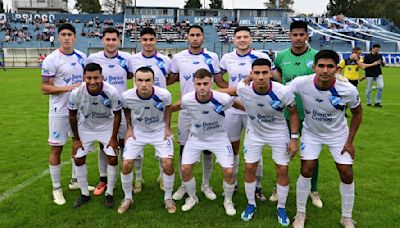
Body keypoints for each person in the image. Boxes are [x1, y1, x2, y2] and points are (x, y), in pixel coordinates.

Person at [219, 58, 299, 225]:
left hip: (278, 133)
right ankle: (251, 204)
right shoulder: (243, 88)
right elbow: (227, 94)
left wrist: (294, 139)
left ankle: (281, 207)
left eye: (264, 72)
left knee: (282, 169)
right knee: (249, 167)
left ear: (270, 73)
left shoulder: (283, 92)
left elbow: (293, 113)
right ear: (251, 75)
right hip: (255, 133)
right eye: (257, 73)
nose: (261, 77)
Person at [290, 50, 362, 228]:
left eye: (330, 66)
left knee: (346, 172)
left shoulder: (348, 90)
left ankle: (346, 217)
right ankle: (300, 214)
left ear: (337, 69)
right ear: (314, 67)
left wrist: (350, 141)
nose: (325, 70)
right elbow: (280, 91)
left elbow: (358, 113)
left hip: (338, 135)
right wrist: (250, 81)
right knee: (306, 169)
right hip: (311, 133)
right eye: (321, 66)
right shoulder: (301, 83)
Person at [167, 25, 225, 201]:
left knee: (207, 149)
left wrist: (241, 88)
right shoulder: (178, 58)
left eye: (198, 35)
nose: (194, 38)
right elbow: (170, 79)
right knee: (184, 147)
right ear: (187, 37)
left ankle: (206, 185)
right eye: (191, 35)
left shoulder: (212, 57)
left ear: (203, 38)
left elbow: (220, 81)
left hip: (208, 110)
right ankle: (185, 185)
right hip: (186, 109)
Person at [171, 68, 237, 215]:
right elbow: (171, 108)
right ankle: (192, 197)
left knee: (228, 171)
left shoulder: (222, 98)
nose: (202, 87)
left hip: (219, 138)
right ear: (194, 84)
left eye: (205, 83)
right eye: (199, 83)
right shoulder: (188, 99)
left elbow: (236, 103)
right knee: (185, 168)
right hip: (196, 139)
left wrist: (253, 114)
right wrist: (164, 125)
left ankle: (228, 200)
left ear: (211, 83)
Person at [272, 20, 322, 207]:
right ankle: (279, 187)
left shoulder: (316, 56)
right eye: (295, 35)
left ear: (307, 36)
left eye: (302, 34)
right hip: (286, 114)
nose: (299, 38)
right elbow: (275, 72)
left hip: (311, 114)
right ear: (289, 36)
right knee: (282, 153)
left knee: (311, 155)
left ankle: (313, 190)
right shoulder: (281, 56)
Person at [218, 26, 272, 200]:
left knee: (255, 148)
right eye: (239, 37)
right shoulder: (227, 58)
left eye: (245, 37)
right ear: (233, 40)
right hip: (233, 109)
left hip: (254, 110)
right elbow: (219, 78)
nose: (242, 40)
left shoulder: (261, 57)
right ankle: (232, 184)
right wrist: (232, 91)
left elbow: (269, 78)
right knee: (232, 148)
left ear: (251, 39)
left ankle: (257, 186)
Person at [41, 23, 92, 205]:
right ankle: (56, 188)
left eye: (70, 34)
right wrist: (69, 88)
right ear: (58, 37)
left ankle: (75, 181)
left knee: (77, 144)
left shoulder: (82, 57)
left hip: (79, 110)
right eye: (63, 34)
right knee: (57, 148)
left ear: (75, 37)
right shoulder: (52, 59)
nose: (67, 37)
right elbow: (44, 88)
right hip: (59, 111)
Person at [118, 67, 175, 214]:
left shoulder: (164, 95)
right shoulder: (127, 96)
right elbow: (126, 109)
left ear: (153, 81)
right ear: (135, 81)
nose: (143, 84)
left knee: (168, 163)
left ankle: (168, 198)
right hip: (138, 132)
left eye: (147, 80)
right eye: (140, 80)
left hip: (159, 131)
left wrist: (167, 128)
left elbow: (168, 109)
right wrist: (130, 127)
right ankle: (127, 198)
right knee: (126, 163)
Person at [86, 27, 134, 197]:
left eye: (114, 39)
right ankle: (103, 179)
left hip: (122, 108)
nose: (111, 42)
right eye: (108, 39)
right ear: (103, 40)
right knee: (103, 145)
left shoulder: (127, 58)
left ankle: (124, 177)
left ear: (119, 41)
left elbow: (129, 76)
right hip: (101, 109)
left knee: (123, 144)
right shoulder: (94, 58)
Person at [68, 63, 122, 208]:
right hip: (86, 128)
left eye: (96, 78)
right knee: (78, 159)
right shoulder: (76, 93)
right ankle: (84, 194)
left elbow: (117, 115)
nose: (92, 81)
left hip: (106, 127)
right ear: (84, 77)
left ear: (102, 77)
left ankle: (109, 193)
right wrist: (76, 139)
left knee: (112, 157)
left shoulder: (111, 91)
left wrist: (113, 138)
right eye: (89, 78)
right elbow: (72, 116)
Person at [130, 27, 172, 191]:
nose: (148, 43)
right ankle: (138, 178)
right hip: (138, 107)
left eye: (151, 39)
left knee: (161, 143)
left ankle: (162, 176)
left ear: (156, 40)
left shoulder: (165, 60)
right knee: (137, 145)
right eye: (145, 39)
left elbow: (169, 77)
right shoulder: (132, 60)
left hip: (159, 108)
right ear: (141, 41)